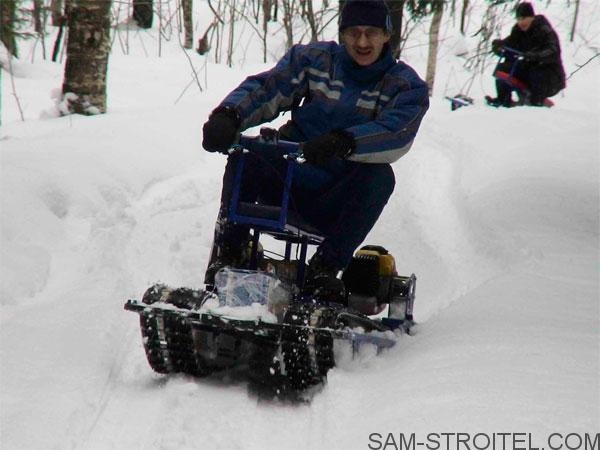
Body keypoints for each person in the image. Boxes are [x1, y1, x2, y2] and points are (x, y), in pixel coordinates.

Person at [201, 0, 429, 300]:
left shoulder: (404, 86)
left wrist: (343, 141)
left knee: (380, 179)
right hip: (287, 180)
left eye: (371, 33)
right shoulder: (315, 60)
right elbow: (269, 88)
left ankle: (323, 270)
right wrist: (228, 116)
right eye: (354, 33)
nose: (362, 42)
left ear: (387, 35)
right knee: (248, 156)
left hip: (334, 199)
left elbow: (396, 133)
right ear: (342, 33)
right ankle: (230, 252)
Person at [487, 2, 566, 107]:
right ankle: (503, 100)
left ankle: (535, 103)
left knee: (537, 73)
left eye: (524, 18)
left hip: (551, 76)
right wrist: (499, 46)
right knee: (503, 68)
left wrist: (536, 56)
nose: (521, 22)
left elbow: (553, 51)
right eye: (518, 19)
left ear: (532, 17)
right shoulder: (518, 31)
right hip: (529, 70)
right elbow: (510, 45)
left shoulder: (543, 30)